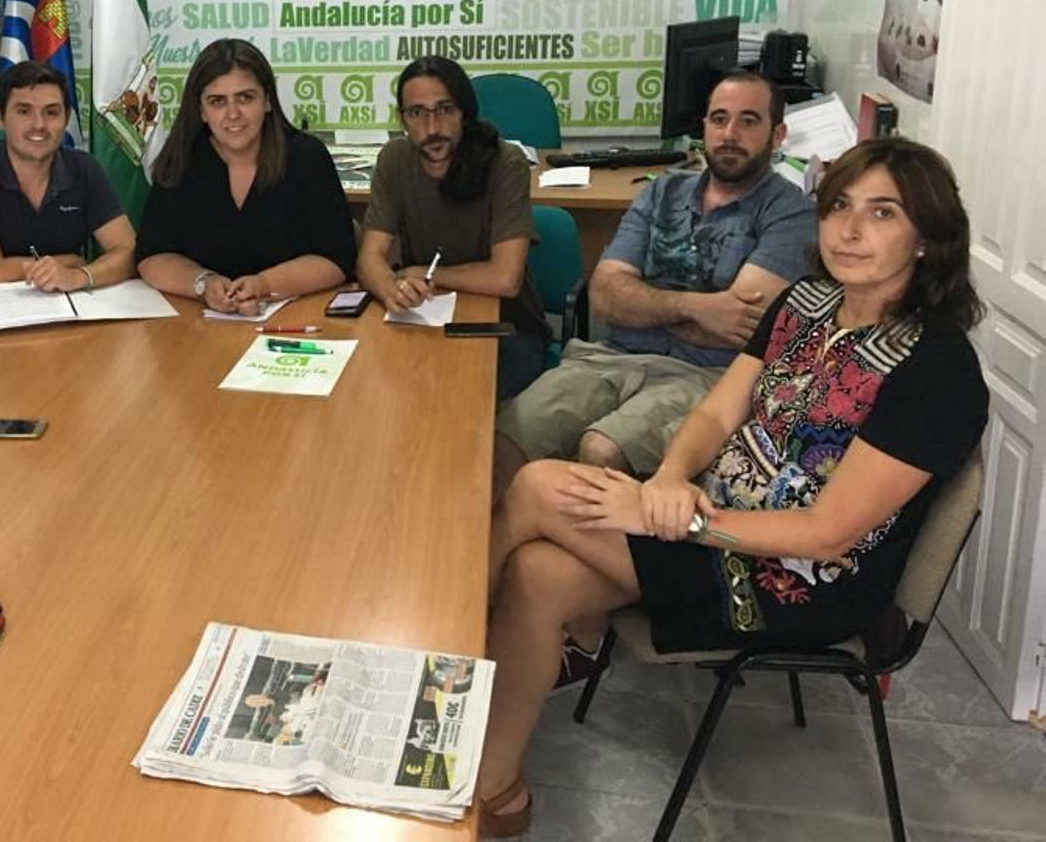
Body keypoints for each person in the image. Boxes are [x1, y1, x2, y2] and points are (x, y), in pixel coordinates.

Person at [474, 137, 988, 835]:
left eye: (883, 213)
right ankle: (495, 791)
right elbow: (718, 409)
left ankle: (433, 653)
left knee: (536, 485)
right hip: (712, 521)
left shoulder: (937, 370)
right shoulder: (806, 303)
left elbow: (828, 531)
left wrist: (672, 520)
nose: (850, 229)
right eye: (839, 205)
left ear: (928, 238)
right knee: (536, 573)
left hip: (800, 584)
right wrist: (667, 479)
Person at [497, 71, 815, 479]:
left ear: (778, 134)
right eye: (719, 119)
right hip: (609, 358)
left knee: (602, 449)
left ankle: (578, 540)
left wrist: (643, 300)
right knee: (504, 437)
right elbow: (605, 295)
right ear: (703, 128)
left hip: (706, 375)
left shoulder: (792, 214)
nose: (730, 133)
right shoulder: (663, 191)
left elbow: (734, 325)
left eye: (748, 120)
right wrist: (697, 307)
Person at [356, 56, 547, 487]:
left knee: (452, 421)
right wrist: (390, 287)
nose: (432, 128)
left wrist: (425, 272)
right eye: (417, 113)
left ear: (465, 112)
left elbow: (505, 278)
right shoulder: (395, 160)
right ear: (403, 118)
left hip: (506, 330)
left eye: (445, 110)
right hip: (423, 325)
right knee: (375, 405)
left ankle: (462, 513)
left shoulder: (505, 163)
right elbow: (370, 257)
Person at [136, 38, 355, 314]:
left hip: (296, 319)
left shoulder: (305, 157)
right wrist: (203, 283)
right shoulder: (180, 159)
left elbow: (337, 259)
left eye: (245, 97)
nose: (233, 114)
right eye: (217, 101)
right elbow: (151, 255)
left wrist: (264, 284)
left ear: (267, 100)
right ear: (201, 111)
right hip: (199, 327)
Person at [0, 61, 135, 326]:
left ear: (66, 118)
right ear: (0, 116)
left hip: (64, 311)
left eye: (51, 112)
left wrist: (80, 275)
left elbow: (128, 252)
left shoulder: (83, 168)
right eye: (24, 111)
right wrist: (68, 261)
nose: (38, 124)